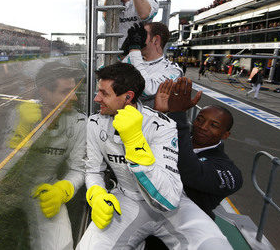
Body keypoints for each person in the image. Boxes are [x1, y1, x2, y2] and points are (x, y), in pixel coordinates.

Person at [77, 63, 231, 250]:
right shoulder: (95, 123)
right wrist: (97, 194)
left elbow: (169, 200)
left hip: (174, 207)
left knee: (215, 245)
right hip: (126, 200)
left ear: (128, 97)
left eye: (104, 93)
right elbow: (93, 169)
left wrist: (135, 142)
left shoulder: (162, 125)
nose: (96, 98)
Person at [6, 61, 86, 249]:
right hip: (11, 189)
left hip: (44, 188)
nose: (74, 97)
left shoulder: (79, 122)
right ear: (43, 91)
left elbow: (79, 168)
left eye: (73, 90)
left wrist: (64, 188)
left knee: (63, 245)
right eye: (65, 91)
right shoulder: (20, 115)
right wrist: (22, 132)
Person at [154, 77, 244, 219]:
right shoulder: (179, 133)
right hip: (151, 207)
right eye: (200, 120)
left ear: (225, 135)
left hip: (186, 222)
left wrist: (177, 114)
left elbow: (189, 170)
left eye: (213, 125)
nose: (203, 127)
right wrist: (160, 114)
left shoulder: (230, 173)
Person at [121, 21, 184, 107]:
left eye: (143, 35)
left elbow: (147, 91)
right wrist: (122, 53)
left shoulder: (173, 70)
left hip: (147, 119)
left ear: (156, 40)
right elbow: (106, 77)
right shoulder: (131, 57)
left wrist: (135, 49)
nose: (139, 38)